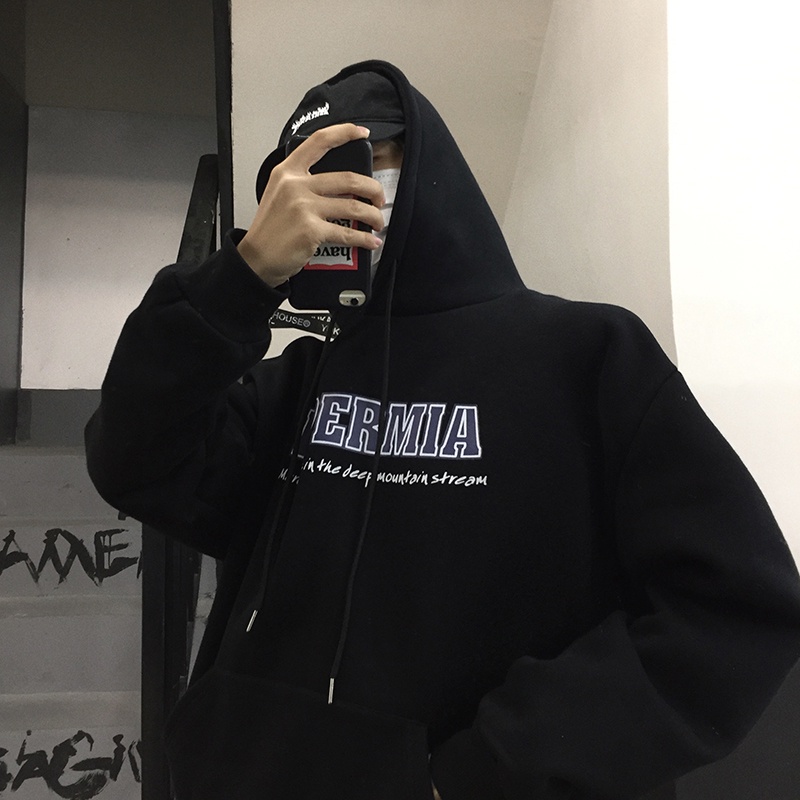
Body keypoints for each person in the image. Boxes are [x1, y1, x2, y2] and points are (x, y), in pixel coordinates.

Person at [85, 60, 800, 800]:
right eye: (298, 180)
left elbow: (733, 606)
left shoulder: (589, 357)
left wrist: (489, 769)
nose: (326, 195)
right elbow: (133, 460)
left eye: (357, 161)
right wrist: (242, 277)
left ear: (426, 168)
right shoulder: (295, 383)